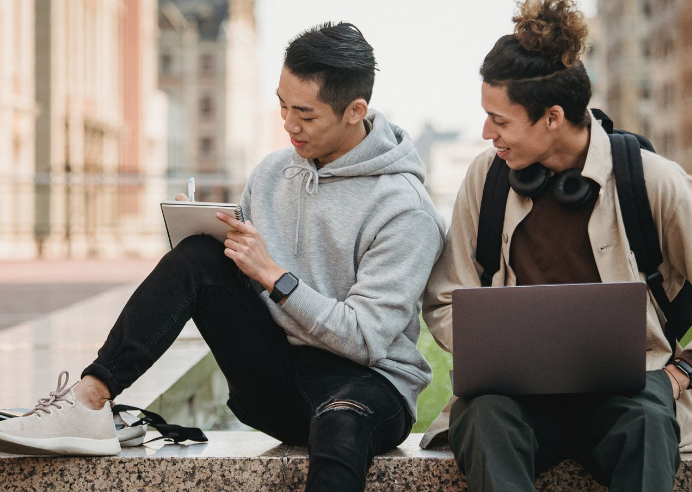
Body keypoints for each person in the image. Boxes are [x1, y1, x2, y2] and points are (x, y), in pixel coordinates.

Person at [0, 22, 445, 492]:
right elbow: (240, 283)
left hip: (369, 391)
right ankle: (87, 403)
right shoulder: (273, 173)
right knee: (198, 257)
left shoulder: (405, 208)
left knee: (340, 423)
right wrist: (209, 235)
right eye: (281, 104)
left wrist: (276, 275)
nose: (289, 124)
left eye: (305, 114)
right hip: (280, 379)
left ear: (355, 111)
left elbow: (366, 339)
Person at [419, 1, 692, 491]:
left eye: (499, 120)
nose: (486, 133)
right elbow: (445, 296)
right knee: (483, 418)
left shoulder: (654, 181)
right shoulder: (487, 177)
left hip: (629, 395)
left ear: (552, 118)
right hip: (516, 399)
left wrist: (679, 374)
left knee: (648, 424)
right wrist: (494, 355)